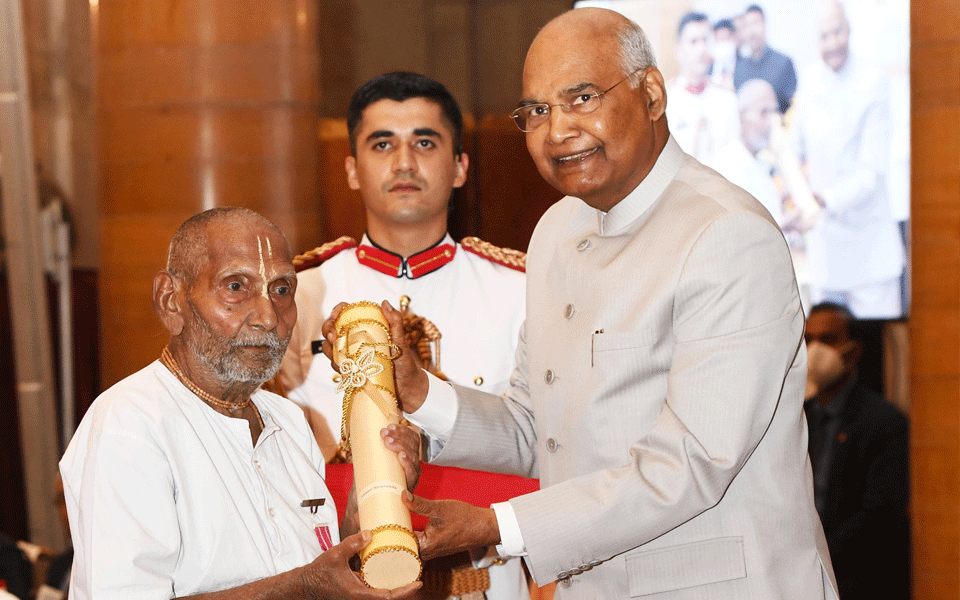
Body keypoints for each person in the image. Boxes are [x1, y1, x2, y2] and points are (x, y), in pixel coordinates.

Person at [327, 7, 839, 599]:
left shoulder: (726, 235)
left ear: (651, 93)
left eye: (582, 98)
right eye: (537, 111)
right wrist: (418, 392)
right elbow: (535, 430)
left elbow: (692, 462)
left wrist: (500, 524)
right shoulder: (556, 232)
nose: (557, 130)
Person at [59, 207, 420, 600]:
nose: (267, 316)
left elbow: (311, 565)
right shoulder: (129, 423)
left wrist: (361, 522)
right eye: (235, 286)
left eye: (281, 290)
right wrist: (303, 588)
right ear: (171, 300)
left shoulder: (288, 420)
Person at [277, 72, 528, 600]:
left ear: (460, 166)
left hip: (483, 578)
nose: (404, 162)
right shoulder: (297, 297)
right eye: (382, 143)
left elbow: (539, 445)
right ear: (351, 168)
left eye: (425, 142)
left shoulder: (520, 292)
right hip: (338, 576)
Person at [790, 0, 905, 318]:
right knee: (831, 354)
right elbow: (793, 147)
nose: (832, 44)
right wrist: (793, 189)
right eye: (824, 36)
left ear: (849, 30)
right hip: (827, 250)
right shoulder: (810, 82)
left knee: (877, 358)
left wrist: (821, 199)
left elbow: (870, 174)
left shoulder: (874, 81)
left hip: (870, 252)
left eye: (837, 32)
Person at [804, 302, 909, 600]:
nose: (815, 351)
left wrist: (817, 554)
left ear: (853, 351)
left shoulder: (885, 423)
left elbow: (879, 516)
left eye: (828, 340)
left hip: (858, 578)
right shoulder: (796, 419)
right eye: (808, 340)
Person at [665, 12, 739, 170]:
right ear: (678, 50)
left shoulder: (727, 100)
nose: (701, 48)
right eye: (693, 41)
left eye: (705, 40)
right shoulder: (664, 103)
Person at [713, 78, 787, 226]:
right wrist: (786, 224)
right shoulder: (729, 165)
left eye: (774, 112)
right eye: (763, 112)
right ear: (742, 115)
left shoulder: (760, 162)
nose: (770, 123)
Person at [733, 4, 798, 114]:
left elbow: (792, 109)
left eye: (755, 23)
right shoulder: (738, 68)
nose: (751, 31)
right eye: (746, 25)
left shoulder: (784, 63)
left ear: (765, 24)